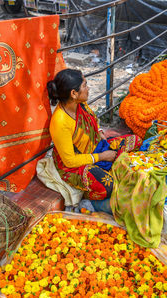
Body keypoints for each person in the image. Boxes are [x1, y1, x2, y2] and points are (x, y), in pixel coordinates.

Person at [47, 68, 142, 207]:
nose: (88, 88)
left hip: (96, 147)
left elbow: (92, 119)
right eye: (84, 85)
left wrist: (99, 130)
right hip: (75, 165)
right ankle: (87, 197)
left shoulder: (81, 104)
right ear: (74, 93)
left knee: (136, 140)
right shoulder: (60, 122)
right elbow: (70, 161)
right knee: (108, 185)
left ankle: (110, 167)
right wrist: (102, 157)